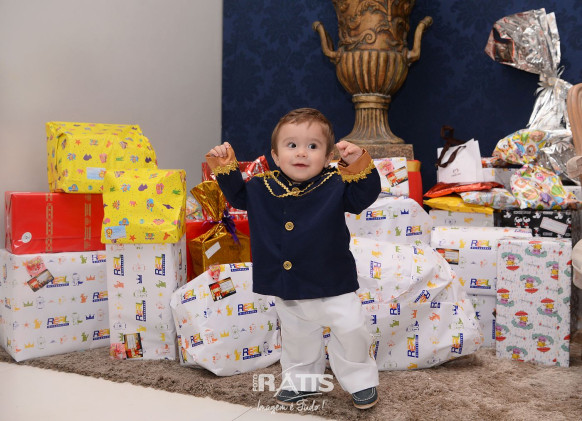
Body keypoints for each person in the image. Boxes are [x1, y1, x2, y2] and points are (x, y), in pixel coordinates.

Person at [206, 108, 381, 409]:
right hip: (289, 283)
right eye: (292, 145)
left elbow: (364, 196)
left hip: (333, 281)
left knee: (352, 329)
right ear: (275, 156)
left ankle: (360, 380)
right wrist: (225, 167)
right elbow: (237, 196)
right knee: (298, 337)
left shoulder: (336, 184)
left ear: (327, 157)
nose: (301, 153)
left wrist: (357, 162)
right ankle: (302, 381)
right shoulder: (261, 187)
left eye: (313, 146)